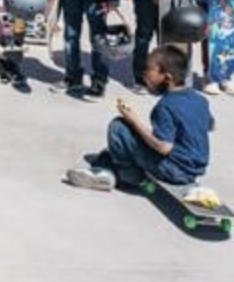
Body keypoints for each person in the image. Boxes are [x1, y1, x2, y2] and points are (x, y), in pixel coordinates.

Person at [64, 47, 213, 191]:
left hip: (172, 170)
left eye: (149, 70)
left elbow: (163, 147)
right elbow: (210, 125)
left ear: (167, 78)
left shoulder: (165, 106)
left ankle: (128, 176)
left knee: (118, 127)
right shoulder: (200, 100)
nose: (144, 74)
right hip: (194, 170)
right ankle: (105, 164)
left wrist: (133, 120)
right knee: (108, 154)